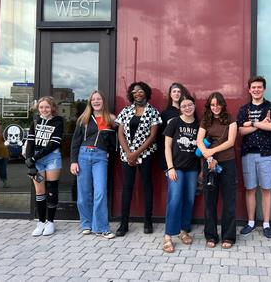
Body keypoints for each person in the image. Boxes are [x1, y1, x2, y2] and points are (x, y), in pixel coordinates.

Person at [115, 81, 162, 236]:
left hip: (146, 154)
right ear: (131, 94)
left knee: (147, 186)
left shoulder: (153, 111)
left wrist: (136, 153)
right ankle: (124, 224)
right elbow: (120, 133)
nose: (137, 93)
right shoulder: (126, 111)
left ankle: (148, 222)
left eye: (140, 90)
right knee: (127, 188)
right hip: (126, 155)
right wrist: (129, 153)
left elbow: (153, 135)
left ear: (146, 93)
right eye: (134, 91)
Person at [237, 76, 271, 238]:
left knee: (266, 189)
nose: (256, 89)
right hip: (248, 153)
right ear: (249, 90)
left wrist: (253, 124)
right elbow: (241, 131)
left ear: (264, 89)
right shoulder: (243, 109)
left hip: (266, 153)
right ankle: (250, 222)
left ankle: (267, 224)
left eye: (259, 87)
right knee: (250, 189)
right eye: (253, 87)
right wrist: (263, 124)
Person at [70, 90, 117, 239]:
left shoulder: (110, 118)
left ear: (103, 101)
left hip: (100, 157)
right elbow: (75, 142)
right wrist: (73, 161)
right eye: (93, 99)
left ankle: (101, 227)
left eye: (98, 99)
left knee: (100, 192)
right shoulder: (83, 119)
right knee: (83, 194)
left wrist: (108, 150)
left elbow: (113, 140)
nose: (96, 101)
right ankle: (86, 224)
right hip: (83, 155)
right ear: (90, 102)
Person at [197, 92, 237, 248]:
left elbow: (231, 142)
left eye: (218, 104)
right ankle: (211, 236)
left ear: (222, 104)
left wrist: (212, 151)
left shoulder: (230, 119)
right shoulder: (206, 120)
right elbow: (199, 140)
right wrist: (207, 155)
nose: (215, 107)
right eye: (212, 105)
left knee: (229, 201)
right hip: (209, 164)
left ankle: (228, 237)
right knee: (209, 201)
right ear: (209, 106)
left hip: (227, 164)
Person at [162, 95, 199, 253]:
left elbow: (201, 149)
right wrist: (170, 168)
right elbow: (167, 146)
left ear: (194, 106)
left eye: (190, 105)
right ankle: (168, 235)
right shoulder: (174, 122)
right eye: (184, 106)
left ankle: (184, 230)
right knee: (175, 199)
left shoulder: (198, 125)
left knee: (189, 199)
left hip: (192, 169)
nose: (187, 108)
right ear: (180, 108)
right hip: (176, 168)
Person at [25, 96, 63, 236]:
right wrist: (30, 162)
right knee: (40, 191)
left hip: (52, 158)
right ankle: (41, 222)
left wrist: (34, 157)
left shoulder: (58, 121)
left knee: (52, 189)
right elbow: (30, 142)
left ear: (52, 107)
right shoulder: (35, 120)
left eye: (47, 107)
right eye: (41, 107)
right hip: (37, 160)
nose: (44, 109)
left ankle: (50, 222)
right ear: (38, 108)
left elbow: (54, 144)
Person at [158, 83, 191, 171]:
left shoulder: (188, 112)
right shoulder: (165, 114)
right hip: (170, 159)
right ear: (170, 94)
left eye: (179, 91)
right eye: (174, 91)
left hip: (186, 159)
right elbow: (161, 139)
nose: (176, 93)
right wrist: (165, 162)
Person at [0, 121, 10, 188]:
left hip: (3, 154)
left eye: (0, 124)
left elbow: (7, 141)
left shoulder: (3, 133)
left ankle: (5, 183)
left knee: (3, 170)